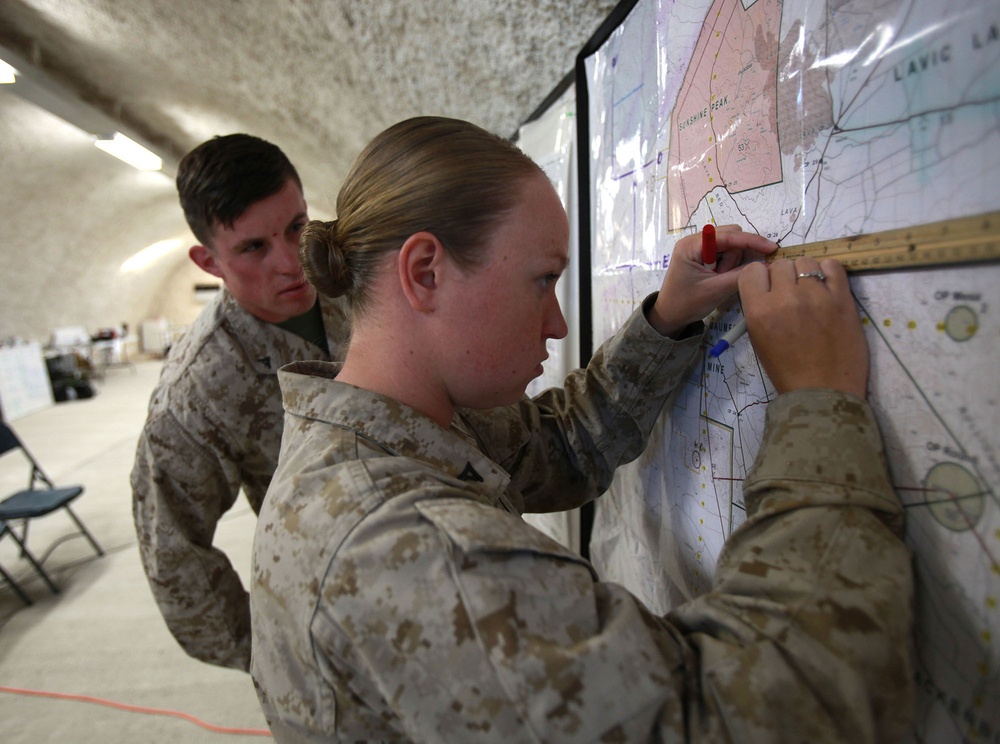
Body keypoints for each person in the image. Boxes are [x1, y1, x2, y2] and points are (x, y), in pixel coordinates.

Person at [250, 117, 914, 741]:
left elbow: (558, 444)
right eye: (542, 281)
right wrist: (820, 402)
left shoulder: (372, 436)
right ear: (426, 273)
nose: (557, 324)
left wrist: (668, 319)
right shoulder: (418, 553)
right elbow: (746, 713)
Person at [131, 134, 351, 672]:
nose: (291, 261)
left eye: (297, 227)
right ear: (208, 261)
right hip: (339, 599)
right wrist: (276, 654)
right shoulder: (199, 388)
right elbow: (172, 550)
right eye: (254, 247)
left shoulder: (359, 274)